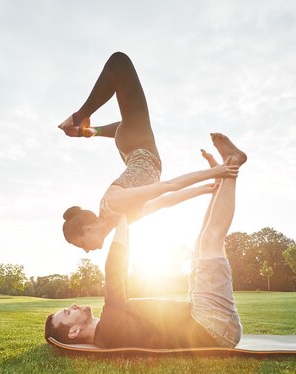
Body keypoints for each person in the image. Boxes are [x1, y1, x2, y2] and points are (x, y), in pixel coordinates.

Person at [45, 133, 247, 348]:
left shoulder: (108, 327)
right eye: (67, 312)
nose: (73, 306)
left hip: (204, 317)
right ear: (74, 331)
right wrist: (121, 217)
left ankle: (223, 180)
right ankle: (232, 164)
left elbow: (161, 201)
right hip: (211, 325)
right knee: (210, 242)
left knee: (200, 246)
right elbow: (115, 273)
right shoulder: (109, 331)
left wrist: (205, 189)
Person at [59, 52, 238, 253]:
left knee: (119, 63)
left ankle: (79, 118)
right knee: (129, 121)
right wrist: (205, 189)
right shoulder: (122, 220)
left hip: (139, 150)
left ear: (88, 228)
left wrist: (217, 171)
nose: (86, 251)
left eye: (81, 244)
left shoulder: (112, 203)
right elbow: (164, 202)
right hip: (129, 145)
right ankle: (87, 130)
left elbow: (168, 186)